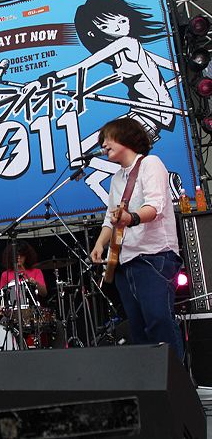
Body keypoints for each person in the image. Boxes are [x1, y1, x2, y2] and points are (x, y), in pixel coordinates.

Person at [43, 0, 178, 203]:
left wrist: (50, 78)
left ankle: (156, 180)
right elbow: (170, 68)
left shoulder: (128, 43)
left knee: (77, 154)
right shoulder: (122, 51)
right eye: (107, 24)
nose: (119, 25)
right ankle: (120, 213)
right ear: (96, 29)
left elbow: (84, 65)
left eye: (122, 19)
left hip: (151, 115)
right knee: (92, 178)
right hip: (140, 113)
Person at [89, 118, 183, 359]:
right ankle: (152, 380)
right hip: (125, 262)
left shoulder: (151, 164)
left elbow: (155, 207)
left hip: (154, 256)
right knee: (138, 331)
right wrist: (100, 244)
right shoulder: (116, 178)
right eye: (102, 141)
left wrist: (130, 218)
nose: (104, 145)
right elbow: (111, 219)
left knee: (159, 321)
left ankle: (177, 378)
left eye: (108, 138)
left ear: (127, 137)